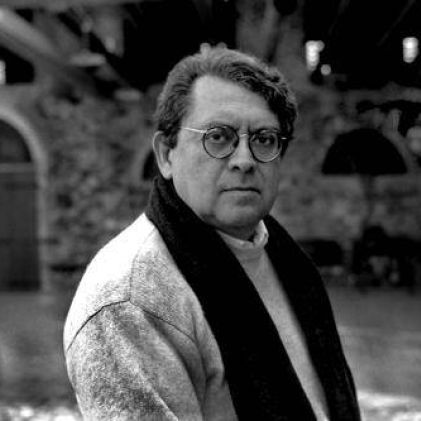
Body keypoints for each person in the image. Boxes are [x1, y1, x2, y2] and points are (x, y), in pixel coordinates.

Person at [64, 47, 361, 420]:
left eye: (264, 139)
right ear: (166, 154)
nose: (244, 160)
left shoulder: (287, 263)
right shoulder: (130, 298)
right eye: (218, 136)